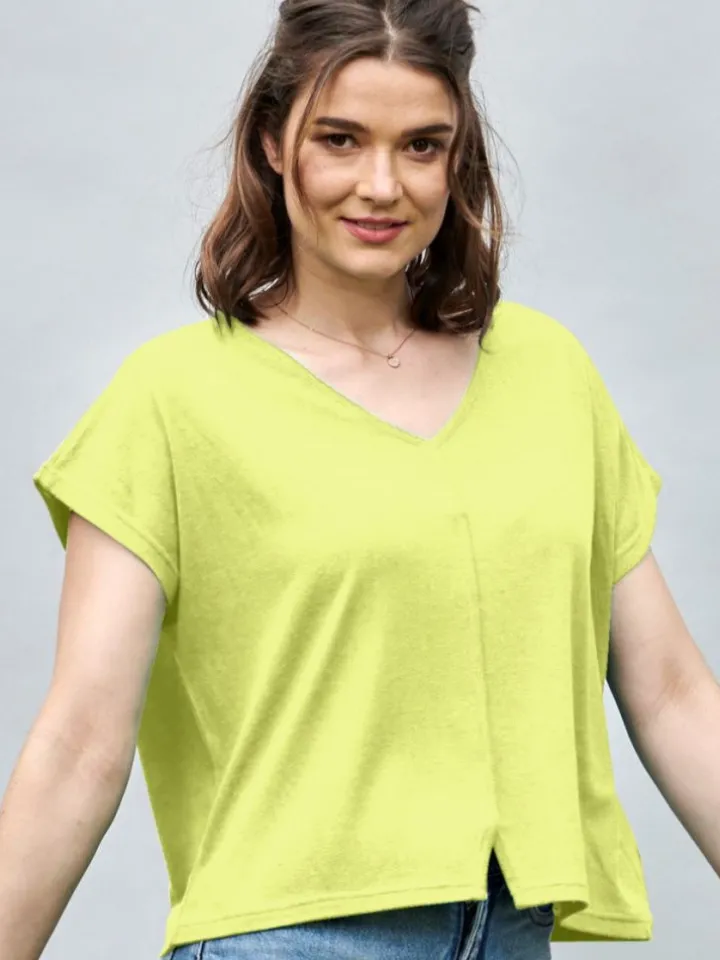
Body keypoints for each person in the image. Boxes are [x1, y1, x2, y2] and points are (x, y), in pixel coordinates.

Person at [3, 1, 718, 958]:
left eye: (422, 146)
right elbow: (81, 744)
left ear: (457, 160)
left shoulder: (550, 375)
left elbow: (671, 692)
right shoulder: (170, 401)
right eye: (339, 139)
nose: (381, 186)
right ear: (273, 143)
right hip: (288, 939)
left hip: (512, 933)